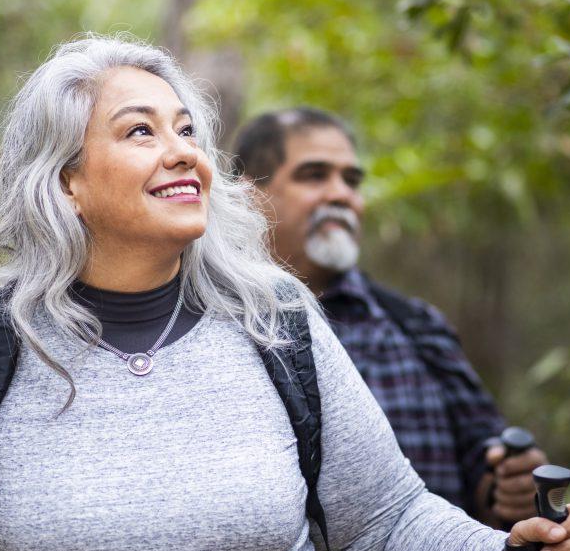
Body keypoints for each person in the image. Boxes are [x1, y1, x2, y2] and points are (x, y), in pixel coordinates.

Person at [0, 35, 570, 551]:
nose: (183, 151)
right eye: (140, 132)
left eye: (187, 130)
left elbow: (387, 522)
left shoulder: (274, 319)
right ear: (66, 183)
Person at [232, 107, 548, 528]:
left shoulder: (415, 325)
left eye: (352, 180)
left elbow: (482, 461)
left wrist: (510, 485)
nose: (340, 194)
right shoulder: (209, 327)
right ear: (248, 194)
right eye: (314, 175)